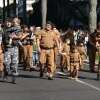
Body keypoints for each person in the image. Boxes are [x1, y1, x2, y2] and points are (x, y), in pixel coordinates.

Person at [3, 18, 22, 82]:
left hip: (14, 48)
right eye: (7, 22)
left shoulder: (16, 29)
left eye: (10, 22)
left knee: (14, 63)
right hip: (7, 48)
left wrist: (14, 37)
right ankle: (6, 73)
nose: (8, 23)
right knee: (6, 63)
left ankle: (14, 76)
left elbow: (20, 36)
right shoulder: (4, 31)